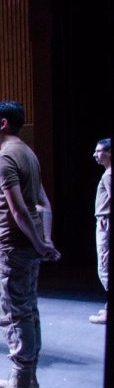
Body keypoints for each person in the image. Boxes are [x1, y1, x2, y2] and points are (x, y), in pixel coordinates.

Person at [0, 101, 60, 388]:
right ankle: (27, 379)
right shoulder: (29, 153)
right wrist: (44, 240)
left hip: (12, 247)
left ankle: (20, 387)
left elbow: (19, 210)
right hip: (27, 247)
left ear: (3, 123)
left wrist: (40, 244)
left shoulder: (4, 157)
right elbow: (44, 204)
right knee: (28, 310)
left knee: (13, 314)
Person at [89, 138, 110, 324]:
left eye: (99, 151)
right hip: (105, 222)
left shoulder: (109, 175)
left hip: (106, 223)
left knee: (105, 267)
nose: (95, 155)